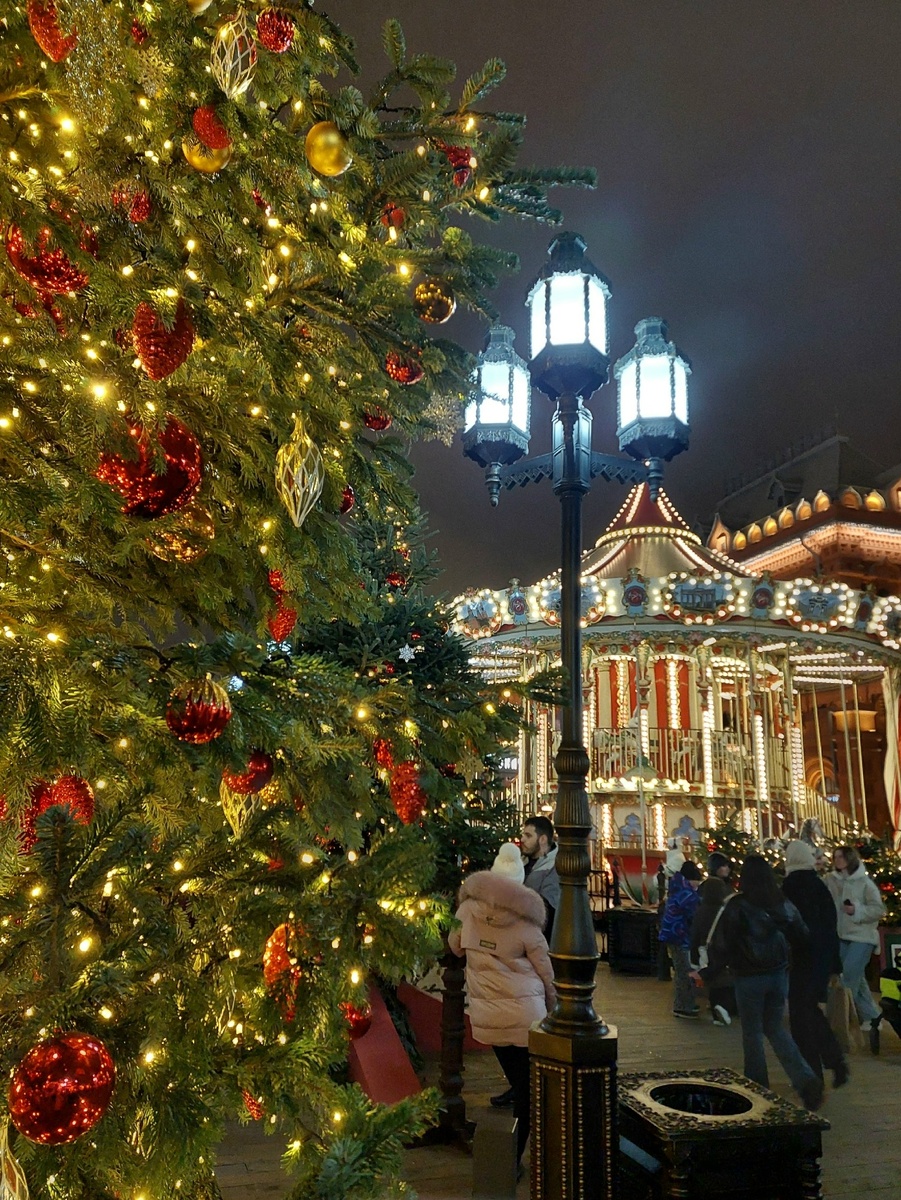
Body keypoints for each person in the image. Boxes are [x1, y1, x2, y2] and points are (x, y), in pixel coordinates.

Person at [448, 842, 555, 1167]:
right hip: (526, 1017)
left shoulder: (467, 910)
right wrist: (553, 1006)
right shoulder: (527, 921)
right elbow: (545, 972)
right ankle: (514, 1157)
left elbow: (455, 947)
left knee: (520, 1081)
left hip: (486, 1016)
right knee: (529, 1088)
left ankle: (508, 1155)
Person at [707, 855, 824, 1110]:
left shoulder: (737, 905)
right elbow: (802, 934)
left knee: (752, 1033)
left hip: (748, 976)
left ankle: (757, 1088)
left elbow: (721, 943)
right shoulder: (781, 902)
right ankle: (806, 1080)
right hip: (778, 974)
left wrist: (709, 972)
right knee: (776, 1029)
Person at [781, 840, 849, 1087]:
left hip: (801, 958)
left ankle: (813, 1074)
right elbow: (831, 927)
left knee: (800, 1018)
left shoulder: (789, 886)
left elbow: (787, 923)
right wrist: (834, 965)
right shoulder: (820, 886)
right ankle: (834, 1060)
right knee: (810, 1010)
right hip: (821, 960)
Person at [826, 844, 885, 1047]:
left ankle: (840, 1023)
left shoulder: (865, 883)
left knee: (849, 977)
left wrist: (857, 911)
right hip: (841, 936)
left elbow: (878, 909)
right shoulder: (830, 880)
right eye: (835, 856)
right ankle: (872, 1015)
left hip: (862, 936)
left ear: (849, 859)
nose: (837, 860)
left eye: (841, 856)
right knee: (856, 979)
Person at [659, 860, 703, 1018]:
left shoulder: (676, 888)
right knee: (684, 972)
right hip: (681, 936)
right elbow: (694, 915)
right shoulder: (688, 894)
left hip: (672, 934)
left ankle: (685, 1003)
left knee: (681, 970)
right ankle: (683, 1005)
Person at [689, 875, 735, 1025]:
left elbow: (695, 934)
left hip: (706, 950)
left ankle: (717, 1010)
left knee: (712, 981)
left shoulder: (701, 911)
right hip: (722, 950)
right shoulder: (724, 910)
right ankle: (724, 1008)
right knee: (724, 979)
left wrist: (694, 956)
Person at [520, 815, 561, 938]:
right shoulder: (521, 861)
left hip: (538, 936)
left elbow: (548, 907)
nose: (522, 839)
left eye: (528, 836)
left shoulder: (554, 865)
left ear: (542, 839)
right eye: (523, 835)